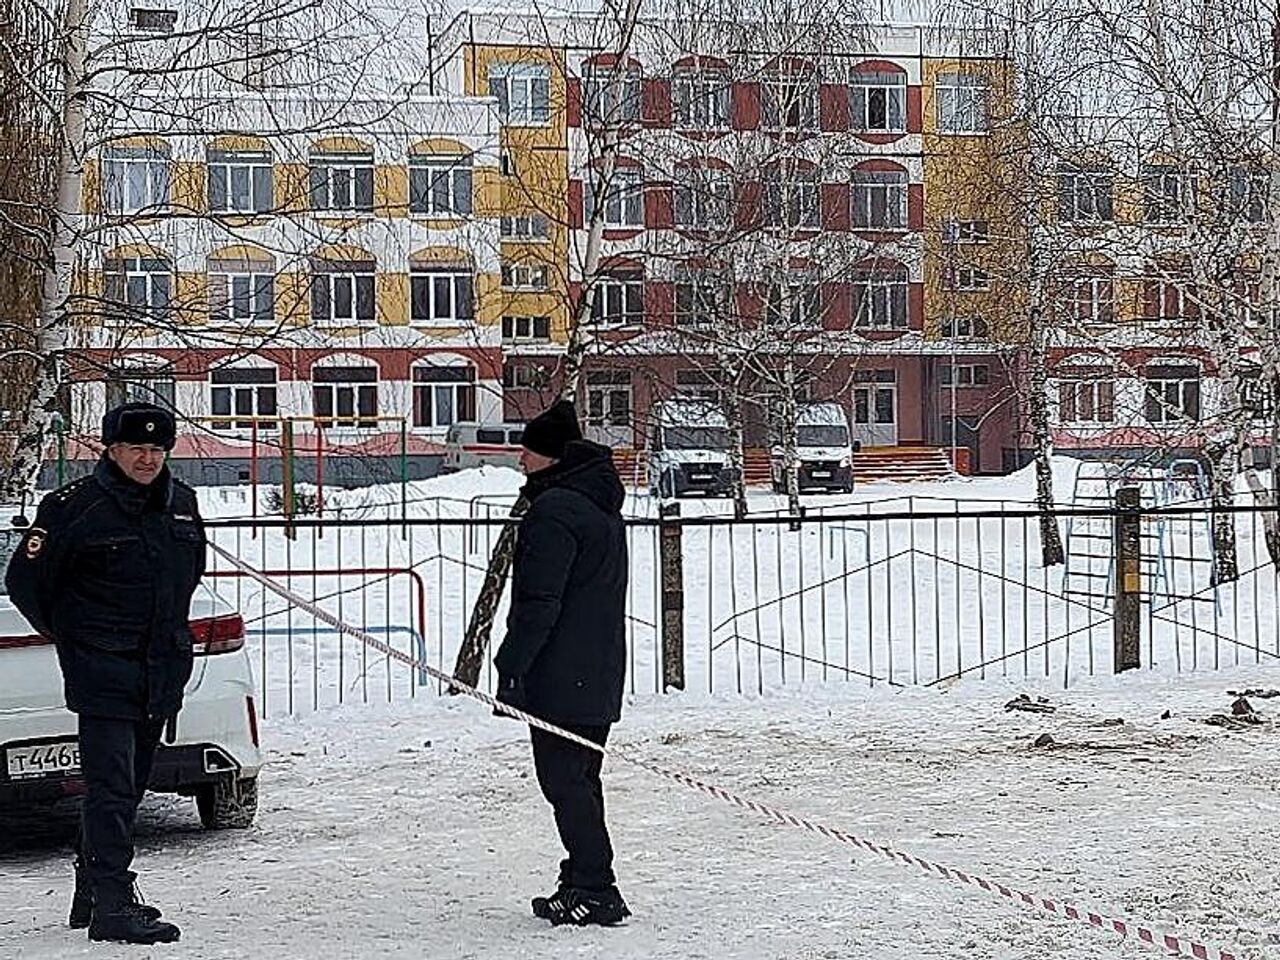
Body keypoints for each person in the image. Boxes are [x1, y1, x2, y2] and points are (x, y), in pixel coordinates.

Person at [6, 401, 207, 945]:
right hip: (102, 669)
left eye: (157, 449)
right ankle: (115, 904)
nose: (147, 458)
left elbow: (187, 581)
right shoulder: (73, 507)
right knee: (112, 785)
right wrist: (76, 637)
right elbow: (25, 583)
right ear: (110, 449)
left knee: (131, 785)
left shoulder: (181, 506)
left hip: (160, 669)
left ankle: (91, 887)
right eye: (136, 448)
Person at [494, 400, 631, 926]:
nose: (521, 458)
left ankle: (596, 887)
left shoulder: (554, 512)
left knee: (565, 782)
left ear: (551, 455)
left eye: (528, 449)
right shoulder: (597, 504)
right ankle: (581, 879)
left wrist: (513, 665)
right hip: (596, 670)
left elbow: (539, 602)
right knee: (579, 780)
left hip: (561, 674)